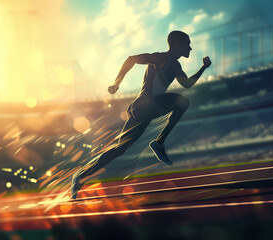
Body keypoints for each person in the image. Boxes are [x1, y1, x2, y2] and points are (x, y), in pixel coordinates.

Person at [71, 30, 211, 199]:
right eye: (187, 44)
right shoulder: (162, 58)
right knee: (182, 102)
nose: (190, 48)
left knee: (119, 150)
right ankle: (158, 143)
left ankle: (80, 175)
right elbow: (132, 59)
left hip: (148, 110)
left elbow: (187, 84)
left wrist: (204, 67)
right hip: (143, 107)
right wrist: (116, 83)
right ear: (176, 44)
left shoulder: (176, 66)